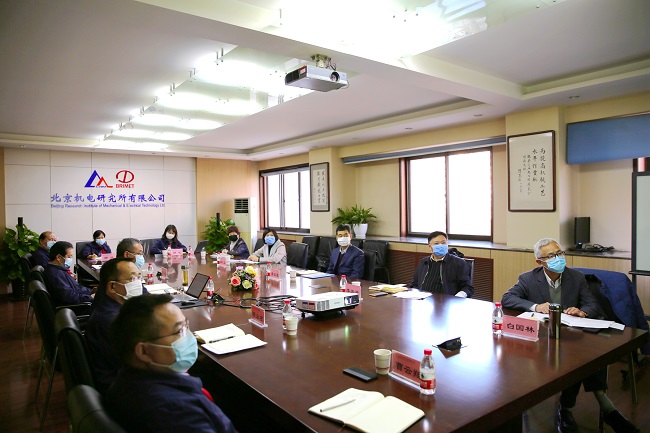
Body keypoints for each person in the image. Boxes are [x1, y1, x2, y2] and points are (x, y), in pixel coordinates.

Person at [501, 238, 639, 433]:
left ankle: (569, 409)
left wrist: (582, 312)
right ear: (540, 262)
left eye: (559, 253)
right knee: (578, 360)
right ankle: (600, 409)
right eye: (551, 256)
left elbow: (591, 304)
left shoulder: (576, 277)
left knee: (582, 358)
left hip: (572, 336)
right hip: (542, 341)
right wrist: (536, 307)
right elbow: (507, 298)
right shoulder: (528, 279)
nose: (558, 258)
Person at [105, 294, 236, 433]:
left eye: (186, 326)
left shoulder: (130, 378)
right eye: (179, 330)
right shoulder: (174, 411)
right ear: (144, 351)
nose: (189, 335)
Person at [85, 258, 141, 394]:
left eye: (139, 277)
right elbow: (135, 364)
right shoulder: (113, 321)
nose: (138, 283)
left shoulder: (108, 305)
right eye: (132, 279)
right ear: (112, 287)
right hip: (120, 388)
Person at [409, 231, 473, 297]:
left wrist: (456, 298)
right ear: (430, 247)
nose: (441, 246)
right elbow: (415, 284)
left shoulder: (458, 263)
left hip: (447, 301)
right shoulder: (423, 262)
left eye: (443, 243)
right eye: (436, 243)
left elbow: (467, 288)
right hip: (422, 300)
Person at [43, 241, 94, 306]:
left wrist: (91, 291)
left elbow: (76, 288)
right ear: (58, 257)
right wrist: (90, 297)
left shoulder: (58, 269)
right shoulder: (56, 275)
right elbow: (70, 297)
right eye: (69, 257)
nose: (70, 259)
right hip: (76, 307)